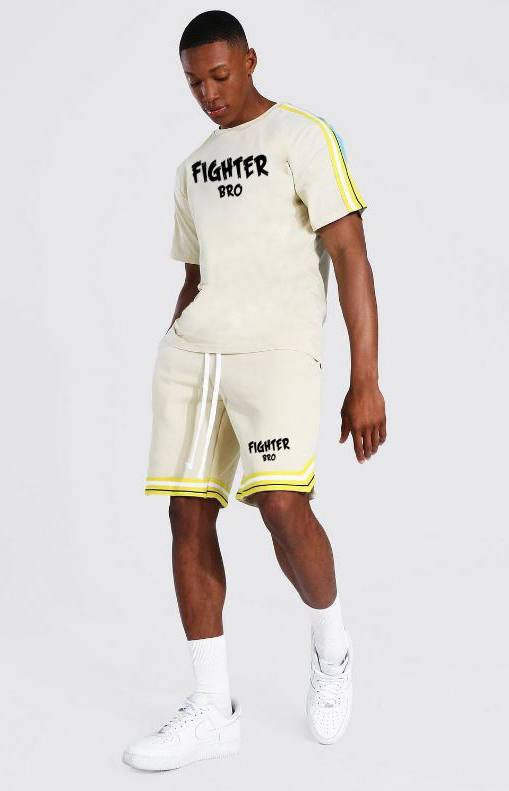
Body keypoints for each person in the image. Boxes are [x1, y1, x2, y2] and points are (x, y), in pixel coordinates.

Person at [123, 9, 386, 772]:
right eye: (193, 83)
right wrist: (175, 341)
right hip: (194, 356)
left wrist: (365, 378)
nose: (208, 94)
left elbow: (352, 255)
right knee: (186, 514)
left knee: (279, 503)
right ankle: (212, 710)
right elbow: (194, 277)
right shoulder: (191, 168)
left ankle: (332, 645)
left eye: (219, 75)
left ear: (249, 60)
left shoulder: (304, 137)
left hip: (277, 353)